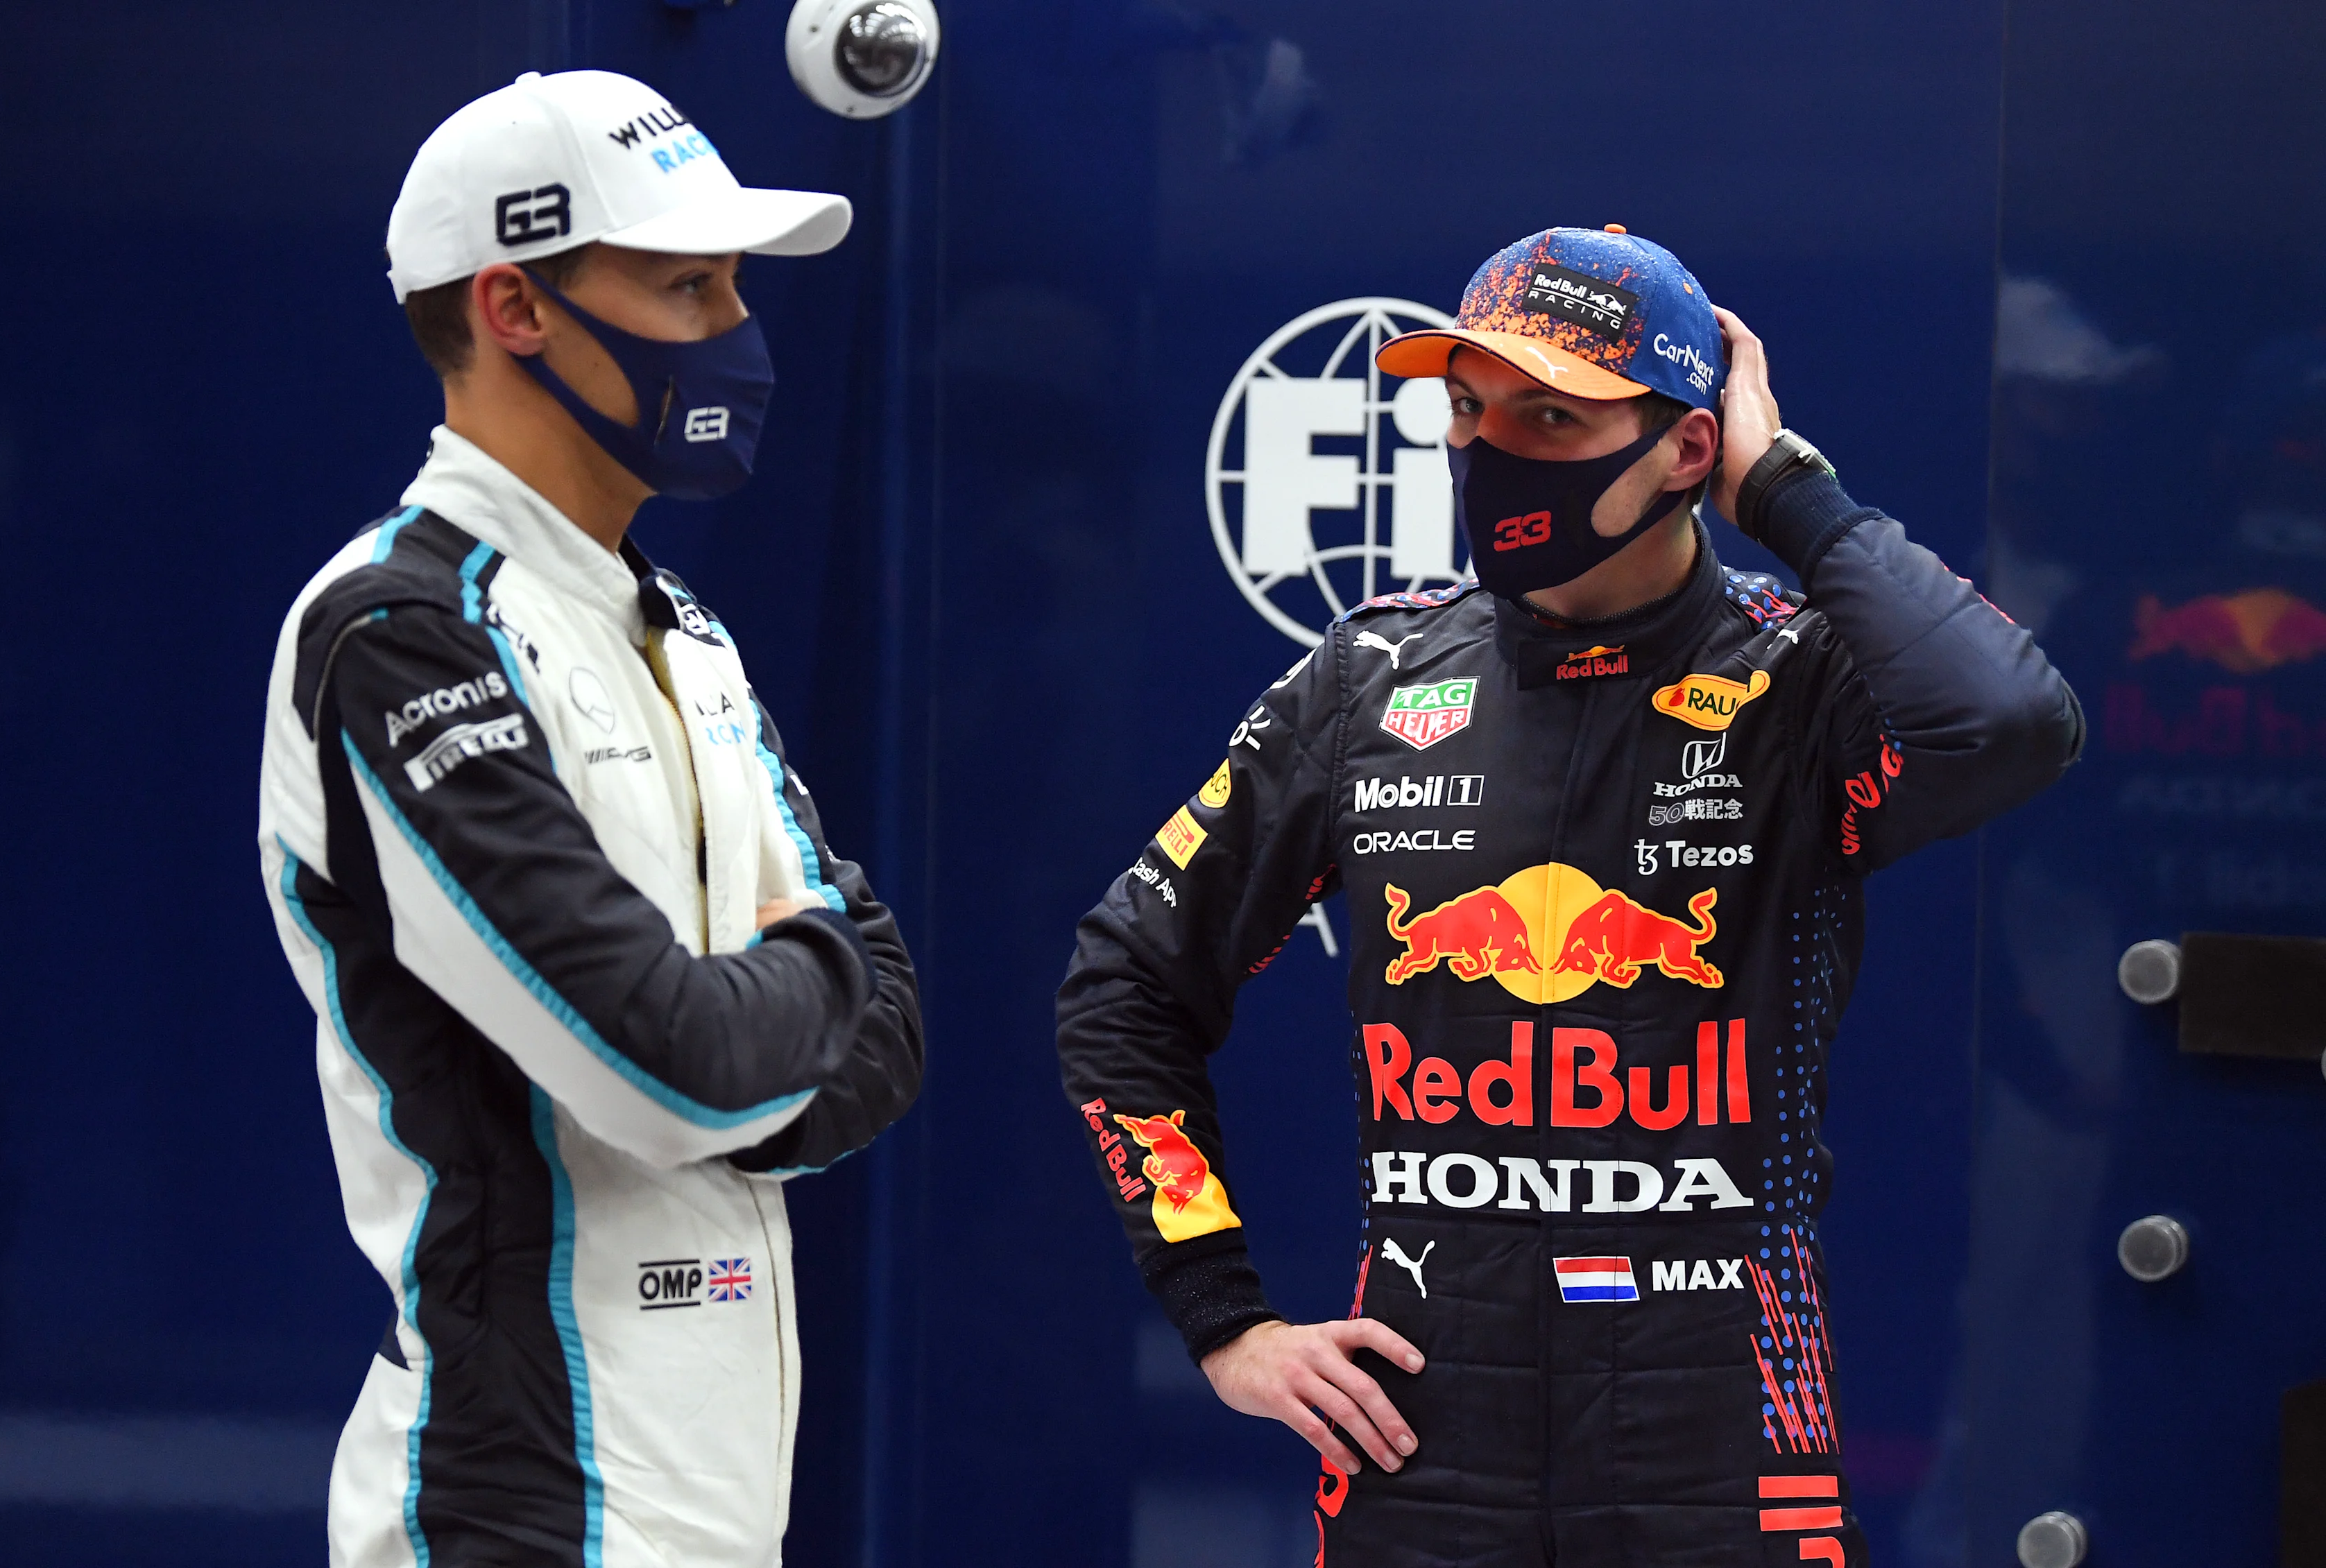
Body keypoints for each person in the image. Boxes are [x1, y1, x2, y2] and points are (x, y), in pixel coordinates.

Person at [1055, 226, 2083, 1565]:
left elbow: (2010, 721)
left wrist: (1786, 491)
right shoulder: (1370, 678)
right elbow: (1125, 984)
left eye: (1552, 413)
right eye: (1471, 408)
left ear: (1686, 451)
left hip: (1719, 1444)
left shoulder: (1799, 681)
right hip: (1420, 1446)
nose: (1494, 453)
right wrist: (1220, 1312)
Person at [256, 69, 923, 1568]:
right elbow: (663, 1065)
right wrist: (809, 969)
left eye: (733, 286)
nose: (738, 338)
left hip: (713, 1495)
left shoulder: (682, 626)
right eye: (687, 286)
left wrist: (763, 1003)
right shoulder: (400, 631)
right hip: (519, 1504)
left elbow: (893, 1041)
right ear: (514, 309)